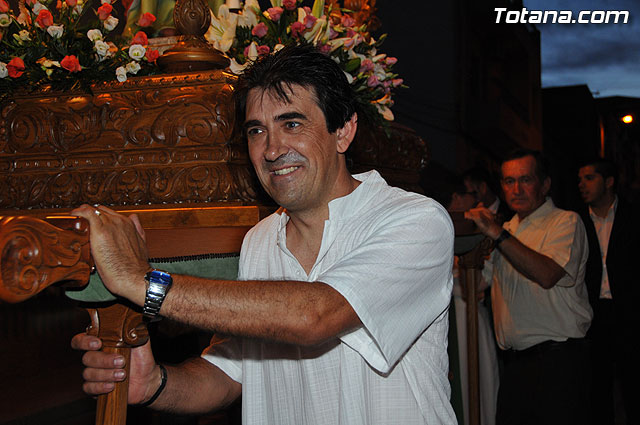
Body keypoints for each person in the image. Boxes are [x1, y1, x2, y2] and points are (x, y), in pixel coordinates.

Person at [71, 44, 457, 424]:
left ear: (343, 131)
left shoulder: (415, 221)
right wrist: (152, 384)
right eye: (257, 130)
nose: (272, 150)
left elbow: (314, 316)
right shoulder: (259, 240)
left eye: (292, 124)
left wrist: (142, 283)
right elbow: (229, 376)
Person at [464, 149, 592, 425]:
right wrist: (468, 245)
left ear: (545, 184)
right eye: (509, 181)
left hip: (558, 363)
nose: (517, 189)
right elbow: (476, 286)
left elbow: (547, 275)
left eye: (526, 180)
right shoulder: (507, 229)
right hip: (514, 366)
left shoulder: (565, 221)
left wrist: (497, 234)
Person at [578, 158, 640, 425]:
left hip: (630, 313)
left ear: (609, 181)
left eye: (589, 178)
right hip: (593, 314)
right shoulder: (577, 221)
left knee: (634, 385)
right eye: (580, 180)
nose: (582, 185)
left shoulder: (633, 216)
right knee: (597, 389)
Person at [447, 180, 499, 425]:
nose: (457, 201)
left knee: (476, 387)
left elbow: (480, 282)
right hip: (449, 316)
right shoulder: (443, 224)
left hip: (469, 314)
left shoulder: (486, 222)